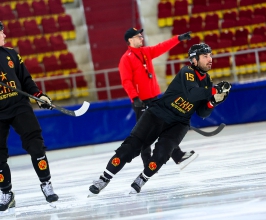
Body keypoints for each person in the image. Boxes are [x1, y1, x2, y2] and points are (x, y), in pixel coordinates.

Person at [89, 42, 231, 195]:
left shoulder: (207, 81)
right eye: (205, 56)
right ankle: (104, 179)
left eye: (210, 55)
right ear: (194, 60)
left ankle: (142, 179)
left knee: (162, 154)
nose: (210, 59)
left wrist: (213, 101)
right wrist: (215, 90)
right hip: (158, 114)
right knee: (130, 148)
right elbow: (192, 94)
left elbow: (202, 113)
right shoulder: (187, 71)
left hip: (179, 123)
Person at [119, 27, 198, 169]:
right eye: (138, 36)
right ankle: (147, 163)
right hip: (141, 101)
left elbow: (162, 47)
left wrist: (178, 39)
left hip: (154, 98)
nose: (141, 38)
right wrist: (135, 98)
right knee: (145, 133)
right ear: (130, 40)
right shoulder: (126, 59)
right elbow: (126, 81)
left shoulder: (145, 52)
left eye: (141, 36)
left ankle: (178, 155)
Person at [0, 21, 58, 212]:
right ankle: (6, 193)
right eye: (2, 32)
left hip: (19, 106)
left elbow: (25, 80)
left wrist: (39, 96)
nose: (5, 36)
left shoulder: (11, 54)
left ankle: (46, 183)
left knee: (35, 144)